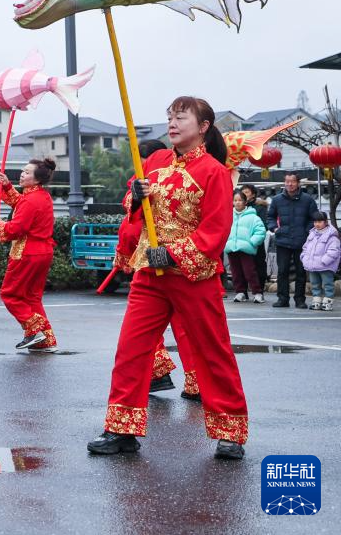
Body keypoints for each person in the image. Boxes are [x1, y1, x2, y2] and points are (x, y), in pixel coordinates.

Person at [88, 96, 248, 461]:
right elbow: (134, 203)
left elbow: (216, 229)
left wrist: (175, 253)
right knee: (131, 349)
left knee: (212, 351)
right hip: (149, 277)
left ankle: (230, 431)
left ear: (204, 127)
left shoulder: (214, 172)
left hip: (194, 277)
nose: (172, 123)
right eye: (170, 117)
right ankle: (122, 429)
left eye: (182, 117)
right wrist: (136, 196)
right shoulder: (157, 162)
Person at [111, 141, 201, 400]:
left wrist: (125, 255)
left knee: (143, 331)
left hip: (153, 263)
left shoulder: (145, 182)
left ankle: (157, 373)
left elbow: (131, 227)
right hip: (186, 263)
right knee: (185, 329)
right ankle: (195, 382)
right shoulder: (188, 178)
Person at [0, 159, 58, 351]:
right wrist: (7, 185)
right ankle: (45, 339)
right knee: (32, 297)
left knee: (10, 293)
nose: (22, 174)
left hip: (27, 252)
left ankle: (33, 329)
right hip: (43, 252)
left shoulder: (31, 200)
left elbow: (16, 229)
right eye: (23, 171)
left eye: (27, 172)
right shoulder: (41, 196)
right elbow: (18, 202)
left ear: (36, 180)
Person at [266, 173, 318, 308]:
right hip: (282, 240)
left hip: (302, 241)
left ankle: (300, 300)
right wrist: (275, 229)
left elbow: (314, 218)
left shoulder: (308, 200)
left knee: (301, 272)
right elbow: (270, 217)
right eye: (287, 181)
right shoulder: (277, 199)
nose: (290, 184)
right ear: (284, 183)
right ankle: (282, 299)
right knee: (282, 271)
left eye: (293, 181)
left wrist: (307, 232)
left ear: (298, 183)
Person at [225, 189, 267, 303]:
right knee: (235, 272)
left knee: (250, 272)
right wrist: (226, 242)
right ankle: (240, 292)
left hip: (246, 249)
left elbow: (260, 231)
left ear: (245, 202)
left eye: (240, 200)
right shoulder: (228, 215)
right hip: (231, 248)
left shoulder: (253, 217)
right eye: (235, 200)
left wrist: (252, 242)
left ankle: (257, 292)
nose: (237, 202)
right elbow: (222, 229)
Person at [300, 211, 339, 311]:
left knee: (327, 284)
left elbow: (334, 251)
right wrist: (304, 258)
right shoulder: (312, 234)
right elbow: (305, 248)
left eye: (320, 222)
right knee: (315, 284)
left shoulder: (332, 236)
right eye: (315, 222)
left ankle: (328, 302)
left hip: (325, 266)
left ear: (325, 222)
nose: (317, 224)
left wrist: (324, 261)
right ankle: (316, 301)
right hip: (312, 265)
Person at [239, 184, 269, 289]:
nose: (244, 194)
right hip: (241, 241)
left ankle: (259, 288)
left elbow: (263, 225)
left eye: (247, 192)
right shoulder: (238, 207)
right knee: (241, 266)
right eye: (243, 192)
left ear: (253, 195)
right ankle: (242, 291)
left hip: (255, 241)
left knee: (258, 264)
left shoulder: (260, 207)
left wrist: (254, 239)